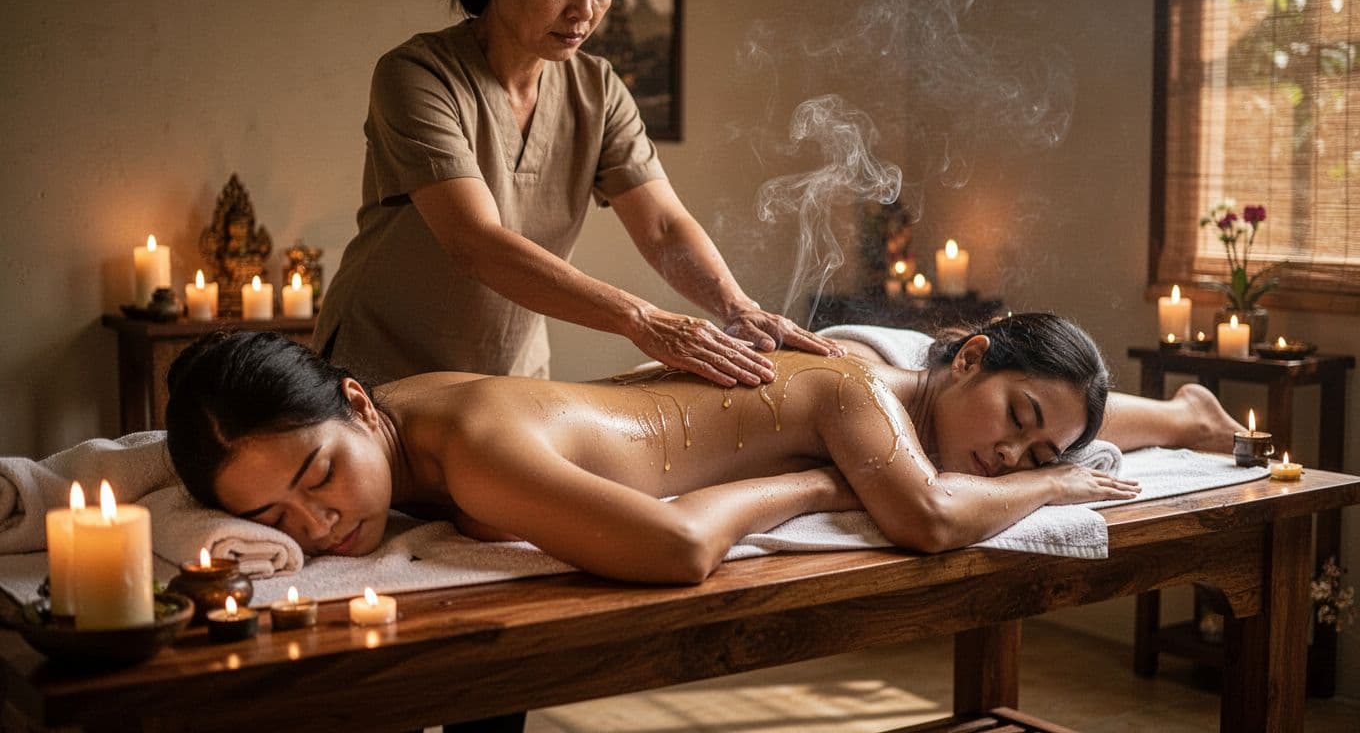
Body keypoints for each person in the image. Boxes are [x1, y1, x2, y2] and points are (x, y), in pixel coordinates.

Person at [162, 313, 1255, 587]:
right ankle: (1177, 409)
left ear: (356, 404)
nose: (321, 522)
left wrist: (1071, 480)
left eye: (315, 481)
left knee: (949, 469)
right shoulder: (392, 415)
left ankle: (1174, 419)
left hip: (836, 395)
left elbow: (683, 554)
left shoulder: (473, 445)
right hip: (826, 392)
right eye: (274, 517)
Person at [313, 0, 837, 390]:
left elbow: (662, 228)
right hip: (382, 369)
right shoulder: (418, 75)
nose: (585, 10)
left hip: (507, 376)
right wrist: (642, 321)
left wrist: (739, 308)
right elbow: (474, 242)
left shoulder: (599, 89)